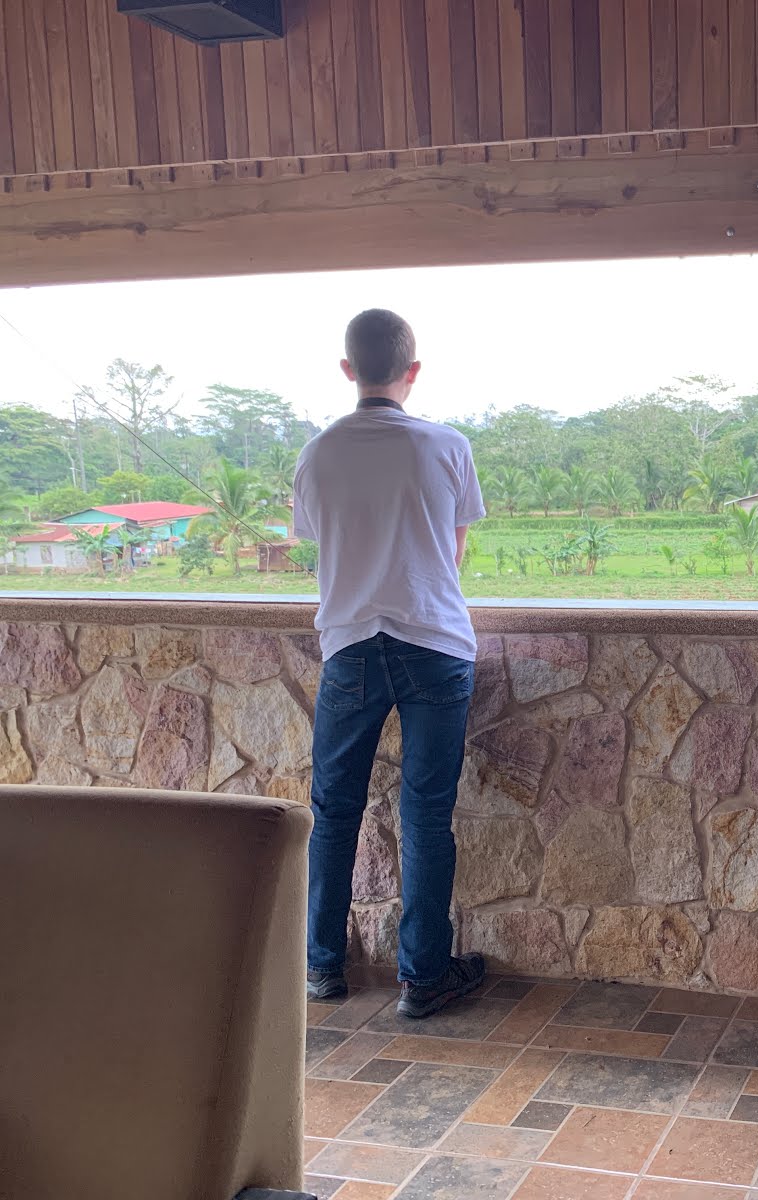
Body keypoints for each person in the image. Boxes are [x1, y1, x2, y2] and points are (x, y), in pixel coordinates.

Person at [296, 308, 489, 1019]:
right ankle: (423, 978)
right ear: (413, 370)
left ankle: (322, 966)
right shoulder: (446, 446)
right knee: (426, 815)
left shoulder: (318, 453)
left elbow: (322, 540)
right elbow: (453, 553)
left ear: (348, 369)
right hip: (435, 644)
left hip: (350, 646)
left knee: (333, 811)